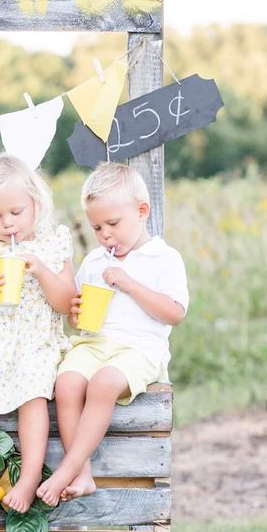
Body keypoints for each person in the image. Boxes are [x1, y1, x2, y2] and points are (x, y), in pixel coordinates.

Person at [37, 161, 188, 507]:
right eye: (97, 227)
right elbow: (80, 315)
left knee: (103, 383)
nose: (105, 235)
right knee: (68, 382)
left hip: (139, 350)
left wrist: (130, 283)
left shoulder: (163, 258)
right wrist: (76, 313)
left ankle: (67, 469)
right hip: (95, 343)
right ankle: (84, 472)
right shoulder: (93, 261)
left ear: (142, 211)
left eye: (113, 224)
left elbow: (175, 313)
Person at [0, 154, 76, 512]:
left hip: (35, 341)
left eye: (16, 213)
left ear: (35, 205)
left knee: (34, 392)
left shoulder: (53, 245)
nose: (7, 224)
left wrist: (42, 272)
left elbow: (67, 304)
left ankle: (28, 480)